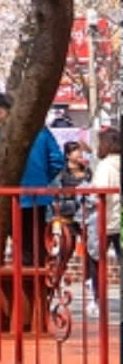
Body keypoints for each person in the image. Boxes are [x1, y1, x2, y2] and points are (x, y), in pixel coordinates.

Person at [0, 91, 65, 265]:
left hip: (7, 198)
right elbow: (57, 161)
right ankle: (37, 285)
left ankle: (21, 284)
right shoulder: (40, 131)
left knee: (13, 243)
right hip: (39, 197)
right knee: (37, 244)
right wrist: (42, 178)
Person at [86, 127, 121, 318]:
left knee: (96, 260)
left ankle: (98, 300)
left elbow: (95, 194)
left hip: (105, 220)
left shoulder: (105, 166)